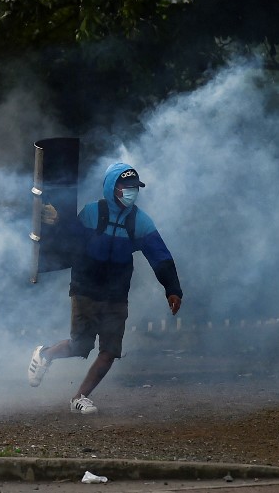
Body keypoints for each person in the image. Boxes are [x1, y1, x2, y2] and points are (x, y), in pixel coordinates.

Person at [28, 163, 183, 415]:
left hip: (117, 294)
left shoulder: (140, 221)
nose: (132, 192)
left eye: (135, 188)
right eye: (126, 187)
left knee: (110, 351)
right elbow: (69, 240)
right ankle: (45, 354)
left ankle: (79, 397)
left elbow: (160, 256)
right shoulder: (92, 213)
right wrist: (55, 223)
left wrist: (172, 288)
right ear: (113, 187)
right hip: (85, 288)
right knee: (80, 346)